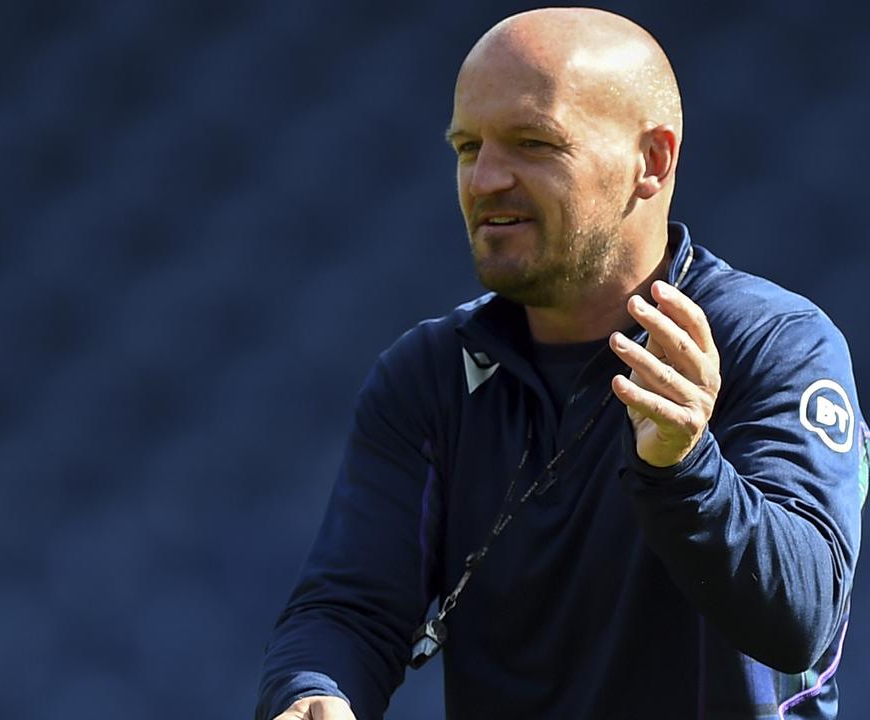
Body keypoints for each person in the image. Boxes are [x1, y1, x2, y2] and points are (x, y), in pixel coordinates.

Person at [256, 7, 867, 720]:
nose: (484, 178)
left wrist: (684, 465)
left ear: (653, 161)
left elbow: (802, 619)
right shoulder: (428, 372)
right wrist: (314, 693)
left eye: (532, 143)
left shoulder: (770, 343)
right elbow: (350, 610)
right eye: (466, 147)